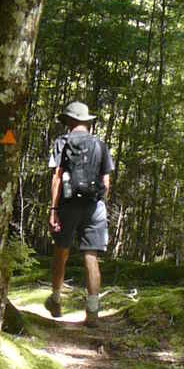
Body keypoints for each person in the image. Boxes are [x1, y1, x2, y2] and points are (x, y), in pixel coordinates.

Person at [45, 100, 114, 326]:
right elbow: (106, 180)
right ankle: (92, 311)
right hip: (95, 206)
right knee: (91, 256)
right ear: (86, 121)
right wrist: (99, 204)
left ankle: (56, 301)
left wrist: (54, 209)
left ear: (70, 121)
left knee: (61, 251)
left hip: (67, 204)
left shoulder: (62, 143)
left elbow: (57, 176)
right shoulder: (101, 145)